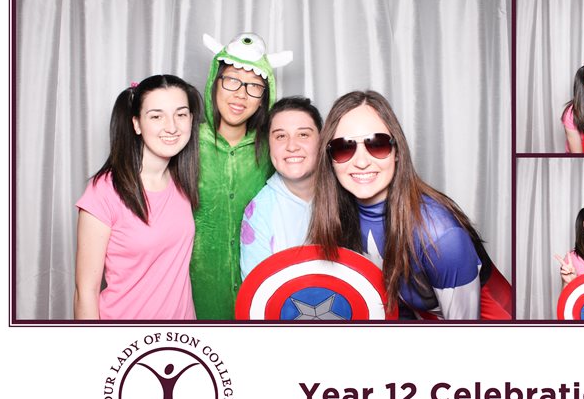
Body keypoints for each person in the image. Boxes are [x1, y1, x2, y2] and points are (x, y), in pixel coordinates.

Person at [307, 90, 511, 320]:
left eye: (377, 144)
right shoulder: (341, 214)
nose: (361, 162)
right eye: (344, 147)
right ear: (330, 159)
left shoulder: (439, 234)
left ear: (397, 151)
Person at [74, 74, 202, 319]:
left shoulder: (182, 182)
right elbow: (85, 292)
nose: (172, 127)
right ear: (136, 124)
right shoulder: (105, 190)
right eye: (156, 116)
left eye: (181, 114)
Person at [190, 32, 292, 319]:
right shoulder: (186, 143)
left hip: (259, 298)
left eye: (254, 86)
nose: (241, 94)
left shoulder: (274, 151)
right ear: (215, 82)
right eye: (232, 80)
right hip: (193, 301)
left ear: (264, 98)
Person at [240, 96, 323, 279]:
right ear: (269, 145)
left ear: (321, 140)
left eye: (303, 135)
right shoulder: (259, 212)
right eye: (280, 136)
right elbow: (258, 288)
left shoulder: (346, 193)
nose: (292, 146)